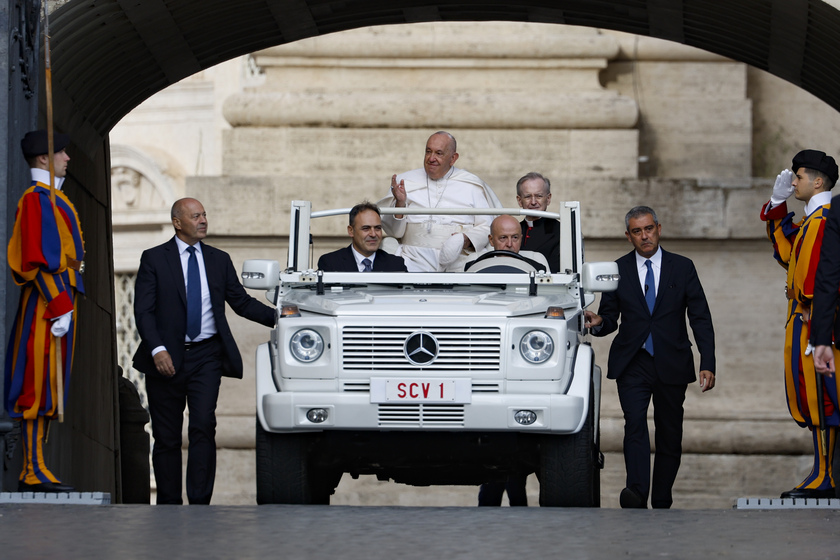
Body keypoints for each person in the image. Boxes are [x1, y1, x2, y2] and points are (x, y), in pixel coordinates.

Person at [133, 198, 275, 504]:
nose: (203, 220)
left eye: (204, 215)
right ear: (177, 222)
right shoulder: (154, 259)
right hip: (165, 359)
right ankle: (169, 505)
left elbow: (241, 302)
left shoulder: (218, 259)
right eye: (195, 216)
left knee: (202, 426)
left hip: (206, 356)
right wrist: (157, 350)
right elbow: (143, 311)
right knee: (167, 436)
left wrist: (282, 317)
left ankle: (199, 505)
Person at [584, 206, 715, 509]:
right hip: (633, 362)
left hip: (672, 361)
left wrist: (707, 361)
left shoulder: (682, 267)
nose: (645, 236)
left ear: (658, 228)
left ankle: (662, 497)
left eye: (649, 229)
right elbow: (610, 318)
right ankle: (637, 491)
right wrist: (599, 322)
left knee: (669, 431)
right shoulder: (619, 269)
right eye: (637, 231)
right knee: (635, 425)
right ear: (628, 236)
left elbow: (700, 317)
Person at [5, 130, 83, 493]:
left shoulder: (52, 198)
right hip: (47, 306)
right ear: (42, 159)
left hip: (58, 304)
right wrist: (60, 304)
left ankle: (38, 466)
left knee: (51, 386)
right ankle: (31, 469)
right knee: (36, 385)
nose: (67, 158)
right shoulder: (37, 200)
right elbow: (38, 259)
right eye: (61, 152)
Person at [761, 150, 839, 499]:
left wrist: (811, 308)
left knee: (822, 399)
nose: (794, 182)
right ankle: (821, 472)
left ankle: (825, 475)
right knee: (810, 400)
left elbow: (820, 276)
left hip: (815, 322)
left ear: (818, 181)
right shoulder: (812, 220)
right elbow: (787, 254)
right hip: (802, 320)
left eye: (800, 177)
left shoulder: (824, 219)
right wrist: (777, 204)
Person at [378, 131, 502, 272]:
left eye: (439, 153)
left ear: (453, 158)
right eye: (428, 151)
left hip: (460, 258)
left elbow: (487, 226)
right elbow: (394, 233)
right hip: (413, 257)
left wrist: (465, 239)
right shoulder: (405, 182)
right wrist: (400, 204)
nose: (431, 158)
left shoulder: (471, 185)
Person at [317, 202, 407, 272]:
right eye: (366, 228)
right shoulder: (330, 263)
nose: (373, 234)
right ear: (351, 231)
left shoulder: (396, 265)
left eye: (377, 228)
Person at [465, 214, 551, 272]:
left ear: (521, 239)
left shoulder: (539, 268)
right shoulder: (472, 266)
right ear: (491, 240)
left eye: (515, 238)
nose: (509, 244)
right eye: (503, 238)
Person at [517, 172, 560, 273]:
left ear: (548, 199)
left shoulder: (562, 232)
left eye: (539, 196)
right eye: (528, 196)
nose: (533, 202)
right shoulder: (513, 231)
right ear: (519, 200)